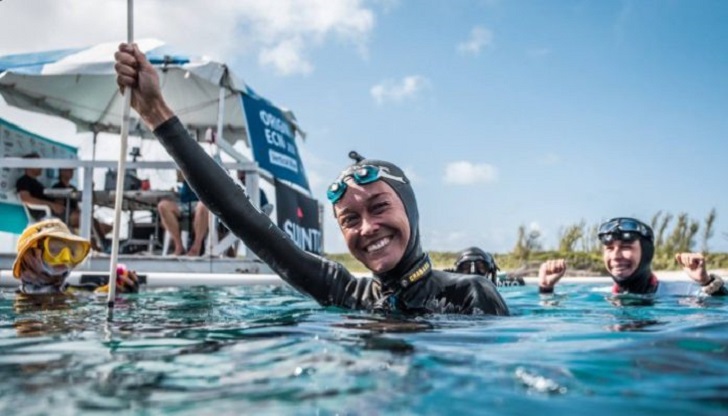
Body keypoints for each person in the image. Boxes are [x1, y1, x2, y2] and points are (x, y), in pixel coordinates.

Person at [114, 43, 509, 315]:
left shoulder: (469, 294)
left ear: (411, 209)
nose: (368, 227)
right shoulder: (346, 293)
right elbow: (243, 218)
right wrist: (155, 111)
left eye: (378, 207)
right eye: (350, 219)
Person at [537, 217, 727, 297]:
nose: (616, 256)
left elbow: (719, 309)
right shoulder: (597, 296)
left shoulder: (683, 293)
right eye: (609, 248)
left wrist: (706, 282)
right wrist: (546, 289)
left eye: (626, 247)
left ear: (646, 252)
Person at [12, 218, 139, 295]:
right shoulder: (13, 304)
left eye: (72, 252)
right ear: (29, 256)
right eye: (54, 249)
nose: (66, 258)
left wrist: (124, 292)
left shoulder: (86, 292)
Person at [157, 170, 210, 256]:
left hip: (200, 202)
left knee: (203, 206)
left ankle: (196, 246)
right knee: (162, 206)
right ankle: (179, 246)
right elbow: (179, 178)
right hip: (183, 203)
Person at [15, 152, 66, 222]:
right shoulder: (23, 181)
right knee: (77, 217)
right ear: (29, 166)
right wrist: (52, 205)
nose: (41, 167)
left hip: (53, 210)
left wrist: (56, 202)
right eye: (38, 164)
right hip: (45, 213)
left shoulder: (37, 183)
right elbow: (26, 199)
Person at [449, 247, 525, 287]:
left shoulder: (498, 283)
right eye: (466, 267)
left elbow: (520, 281)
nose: (473, 272)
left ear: (489, 270)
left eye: (480, 266)